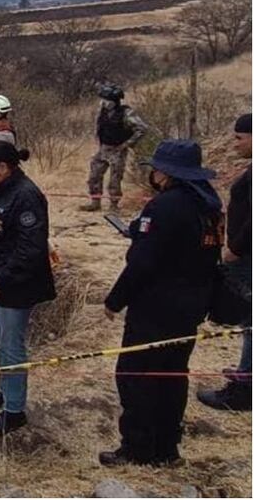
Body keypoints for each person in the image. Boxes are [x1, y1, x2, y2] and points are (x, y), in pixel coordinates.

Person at [100, 139, 223, 466]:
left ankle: (138, 449)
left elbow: (143, 263)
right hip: (191, 308)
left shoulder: (165, 206)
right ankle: (166, 449)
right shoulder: (208, 205)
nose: (153, 173)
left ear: (166, 174)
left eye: (156, 169)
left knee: (136, 376)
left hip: (155, 309)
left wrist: (115, 300)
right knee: (172, 376)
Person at [0, 140, 55, 437]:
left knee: (12, 344)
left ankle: (14, 411)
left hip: (18, 284)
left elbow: (29, 250)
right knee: (2, 338)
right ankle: (5, 391)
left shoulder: (27, 196)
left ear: (4, 168)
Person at [198, 113, 252, 412]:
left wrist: (236, 247)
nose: (235, 144)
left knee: (250, 322)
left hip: (246, 256)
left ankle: (243, 390)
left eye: (239, 138)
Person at [79, 85, 148, 212]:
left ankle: (114, 205)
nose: (103, 102)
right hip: (104, 148)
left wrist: (127, 144)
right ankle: (95, 202)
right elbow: (98, 126)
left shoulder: (126, 113)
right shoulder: (102, 111)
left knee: (115, 178)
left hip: (118, 149)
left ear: (114, 101)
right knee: (94, 175)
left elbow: (142, 128)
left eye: (106, 99)